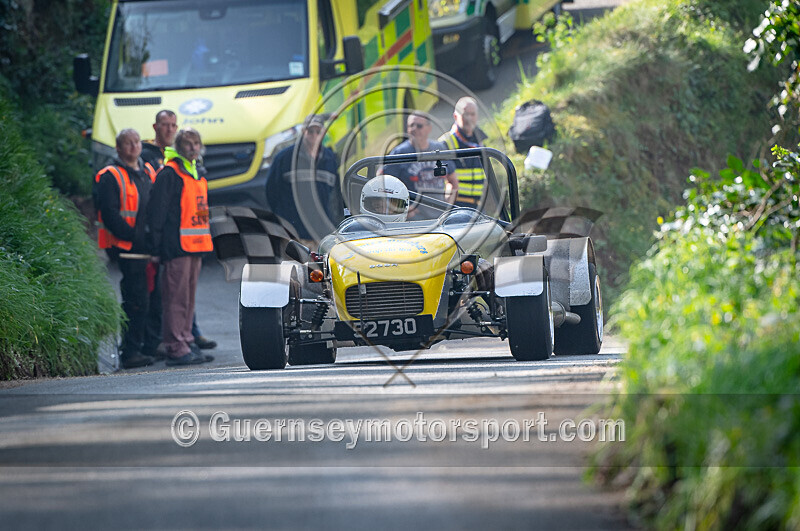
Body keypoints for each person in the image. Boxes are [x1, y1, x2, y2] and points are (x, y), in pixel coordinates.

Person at [142, 109, 217, 351]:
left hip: (195, 248)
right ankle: (176, 345)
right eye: (188, 144)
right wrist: (156, 246)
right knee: (175, 299)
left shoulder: (197, 173)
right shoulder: (170, 174)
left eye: (196, 143)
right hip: (176, 247)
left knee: (187, 299)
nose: (193, 148)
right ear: (179, 146)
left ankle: (186, 340)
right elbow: (157, 214)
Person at [94, 129, 159, 369]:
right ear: (118, 148)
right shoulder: (110, 175)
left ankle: (148, 346)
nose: (133, 147)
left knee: (153, 297)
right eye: (127, 143)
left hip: (146, 246)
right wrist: (135, 238)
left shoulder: (148, 171)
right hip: (126, 248)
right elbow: (110, 215)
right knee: (135, 299)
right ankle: (130, 351)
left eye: (136, 142)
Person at [265, 114, 341, 245]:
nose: (314, 136)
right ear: (303, 131)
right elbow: (272, 192)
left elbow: (335, 196)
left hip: (321, 234)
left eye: (318, 132)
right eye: (310, 131)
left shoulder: (330, 160)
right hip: (294, 234)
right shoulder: (284, 159)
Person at [385, 111, 458, 219]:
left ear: (429, 128)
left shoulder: (439, 149)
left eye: (419, 126)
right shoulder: (399, 153)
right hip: (414, 220)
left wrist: (448, 205)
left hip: (441, 218)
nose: (414, 129)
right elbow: (382, 183)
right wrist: (400, 209)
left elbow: (453, 181)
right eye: (411, 125)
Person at [438, 97, 487, 208]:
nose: (469, 118)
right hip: (456, 205)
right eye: (465, 114)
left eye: (472, 114)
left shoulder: (480, 141)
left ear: (477, 116)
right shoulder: (445, 143)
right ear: (456, 116)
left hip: (478, 205)